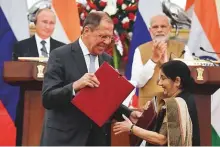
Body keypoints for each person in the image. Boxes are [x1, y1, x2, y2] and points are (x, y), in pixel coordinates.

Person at [40, 11, 140, 146]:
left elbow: (104, 102)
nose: (106, 42)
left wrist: (128, 113)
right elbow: (48, 98)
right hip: (65, 138)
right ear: (86, 31)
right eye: (102, 36)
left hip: (97, 139)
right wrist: (75, 86)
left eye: (110, 37)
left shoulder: (107, 60)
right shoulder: (60, 55)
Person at [113, 60, 200, 146]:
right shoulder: (187, 98)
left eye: (163, 78)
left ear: (177, 81)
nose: (159, 83)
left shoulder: (176, 103)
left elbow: (162, 139)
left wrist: (131, 128)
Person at [130, 14, 193, 107]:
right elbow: (138, 82)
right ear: (150, 30)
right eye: (155, 27)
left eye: (163, 26)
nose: (159, 30)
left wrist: (167, 65)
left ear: (170, 29)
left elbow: (190, 79)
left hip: (178, 105)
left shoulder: (183, 49)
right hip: (149, 106)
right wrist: (153, 60)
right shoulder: (140, 50)